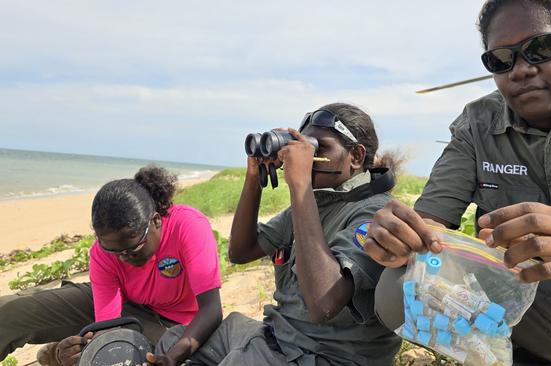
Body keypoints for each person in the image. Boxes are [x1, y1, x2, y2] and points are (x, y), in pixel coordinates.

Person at [365, 1, 551, 365]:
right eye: (502, 59)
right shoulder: (477, 124)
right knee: (397, 289)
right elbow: (431, 226)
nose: (522, 70)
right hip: (518, 309)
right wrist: (402, 239)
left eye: (541, 48)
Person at [156, 103, 402, 365]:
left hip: (325, 355)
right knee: (174, 342)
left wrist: (300, 186)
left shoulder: (374, 215)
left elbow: (323, 303)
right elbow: (241, 251)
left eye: (320, 148)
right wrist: (254, 177)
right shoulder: (318, 204)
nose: (307, 155)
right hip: (280, 337)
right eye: (305, 145)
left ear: (355, 156)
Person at [0, 165, 223, 366]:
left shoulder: (188, 226)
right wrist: (78, 349)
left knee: (127, 357)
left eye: (132, 250)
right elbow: (107, 325)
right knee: (10, 314)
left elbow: (211, 310)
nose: (124, 258)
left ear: (155, 221)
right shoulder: (104, 251)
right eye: (114, 251)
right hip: (127, 307)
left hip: (175, 324)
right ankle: (59, 353)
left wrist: (173, 357)